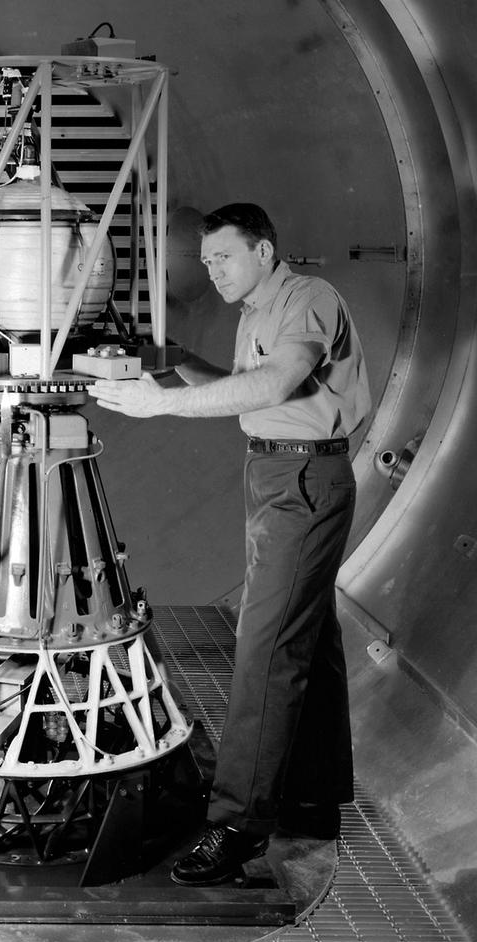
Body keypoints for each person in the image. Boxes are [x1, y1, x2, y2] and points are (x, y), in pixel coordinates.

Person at [86, 202, 371, 886]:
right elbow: (244, 396)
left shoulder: (305, 297)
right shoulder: (255, 312)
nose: (212, 270)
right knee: (311, 642)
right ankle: (313, 798)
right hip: (276, 469)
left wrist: (161, 404)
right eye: (207, 260)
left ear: (265, 250)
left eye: (224, 257)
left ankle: (239, 825)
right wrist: (173, 363)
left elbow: (277, 382)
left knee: (266, 648)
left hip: (303, 475)